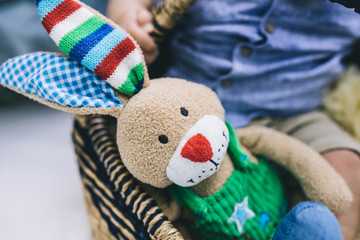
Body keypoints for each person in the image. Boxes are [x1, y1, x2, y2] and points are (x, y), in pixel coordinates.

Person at [108, 0, 360, 239]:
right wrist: (127, 14)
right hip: (187, 111)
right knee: (144, 180)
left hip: (295, 113)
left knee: (347, 168)